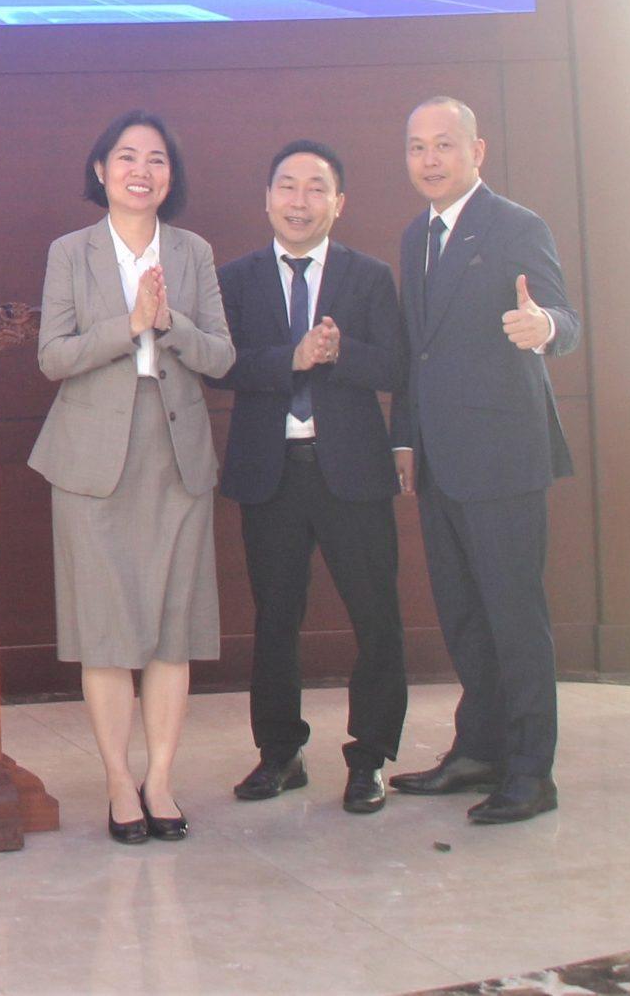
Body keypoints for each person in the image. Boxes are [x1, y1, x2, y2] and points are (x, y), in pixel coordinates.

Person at [29, 110, 235, 845]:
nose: (140, 171)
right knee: (107, 631)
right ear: (101, 170)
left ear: (170, 176)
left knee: (172, 630)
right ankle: (119, 782)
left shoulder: (193, 251)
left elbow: (221, 356)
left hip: (175, 454)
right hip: (92, 458)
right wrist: (130, 324)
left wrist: (169, 323)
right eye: (126, 157)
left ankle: (161, 781)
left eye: (156, 159)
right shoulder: (71, 252)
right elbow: (53, 356)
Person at [387, 96, 581, 826]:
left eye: (444, 144)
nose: (429, 159)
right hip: (440, 459)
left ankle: (531, 771)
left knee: (514, 618)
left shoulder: (516, 225)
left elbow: (566, 319)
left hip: (503, 457)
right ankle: (479, 750)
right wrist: (406, 439)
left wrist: (543, 326)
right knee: (465, 617)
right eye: (417, 146)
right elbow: (419, 350)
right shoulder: (416, 235)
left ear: (477, 151)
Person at [215, 140, 410, 814]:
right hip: (271, 474)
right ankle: (279, 753)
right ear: (267, 199)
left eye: (316, 188)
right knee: (275, 620)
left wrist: (339, 353)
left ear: (339, 202)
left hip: (351, 472)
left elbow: (395, 367)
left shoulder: (369, 276)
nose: (300, 201)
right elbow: (220, 365)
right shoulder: (235, 278)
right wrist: (290, 359)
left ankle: (370, 757)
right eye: (287, 186)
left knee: (376, 617)